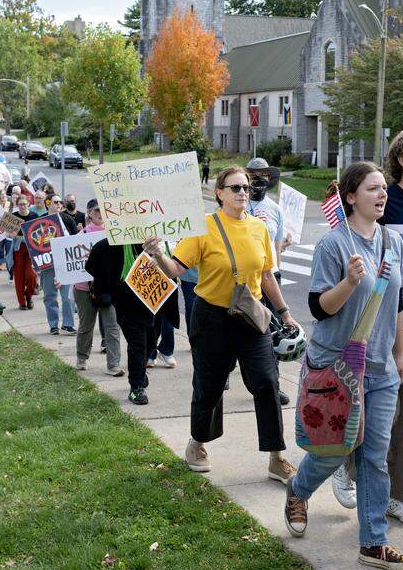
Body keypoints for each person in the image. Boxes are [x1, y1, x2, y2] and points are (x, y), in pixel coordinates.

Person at [283, 162, 403, 570]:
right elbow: (318, 309)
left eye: (384, 189)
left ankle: (373, 543)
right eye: (373, 188)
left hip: (379, 369)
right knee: (334, 450)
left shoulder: (393, 240)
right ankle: (298, 489)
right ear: (350, 197)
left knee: (375, 456)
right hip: (336, 365)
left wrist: (398, 355)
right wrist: (347, 281)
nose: (382, 195)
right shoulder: (333, 245)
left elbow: (394, 302)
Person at [143, 166, 296, 484]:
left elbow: (267, 275)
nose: (243, 192)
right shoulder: (203, 228)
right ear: (220, 193)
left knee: (267, 384)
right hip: (212, 318)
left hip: (252, 320)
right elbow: (174, 270)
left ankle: (276, 457)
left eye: (246, 187)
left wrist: (284, 312)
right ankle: (197, 443)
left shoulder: (258, 228)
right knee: (210, 388)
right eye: (235, 187)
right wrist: (158, 254)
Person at [339, 126, 403, 526]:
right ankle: (346, 464)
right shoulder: (383, 204)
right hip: (375, 322)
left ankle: (399, 497)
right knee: (366, 409)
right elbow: (362, 255)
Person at [86, 235, 172, 405]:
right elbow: (94, 265)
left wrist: (158, 255)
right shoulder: (110, 245)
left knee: (151, 343)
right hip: (128, 306)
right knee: (137, 345)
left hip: (155, 302)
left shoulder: (157, 241)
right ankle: (136, 387)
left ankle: (140, 370)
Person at [246, 157, 291, 406]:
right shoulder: (238, 205)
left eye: (263, 175)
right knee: (243, 329)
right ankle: (229, 371)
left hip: (270, 276)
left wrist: (278, 268)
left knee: (273, 331)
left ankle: (273, 385)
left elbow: (276, 243)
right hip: (245, 280)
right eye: (253, 176)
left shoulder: (275, 209)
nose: (259, 180)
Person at [75, 201, 124, 376]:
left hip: (107, 288)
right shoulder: (82, 234)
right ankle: (81, 358)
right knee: (86, 325)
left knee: (112, 326)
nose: (100, 213)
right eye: (96, 210)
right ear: (89, 213)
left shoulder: (114, 234)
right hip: (83, 287)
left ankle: (113, 365)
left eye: (104, 209)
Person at [40, 198, 77, 335]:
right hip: (48, 264)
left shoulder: (67, 219)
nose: (59, 204)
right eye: (56, 202)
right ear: (48, 204)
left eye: (61, 202)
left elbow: (76, 238)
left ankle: (68, 324)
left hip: (65, 262)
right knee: (50, 295)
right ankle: (53, 325)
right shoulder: (40, 221)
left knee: (68, 295)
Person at [8, 194, 38, 310]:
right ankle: (22, 302)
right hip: (17, 249)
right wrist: (11, 235)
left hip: (30, 249)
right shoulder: (13, 216)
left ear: (28, 204)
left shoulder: (34, 215)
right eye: (20, 204)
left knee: (31, 275)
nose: (22, 206)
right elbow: (6, 233)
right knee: (19, 276)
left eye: (24, 204)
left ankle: (29, 295)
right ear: (17, 205)